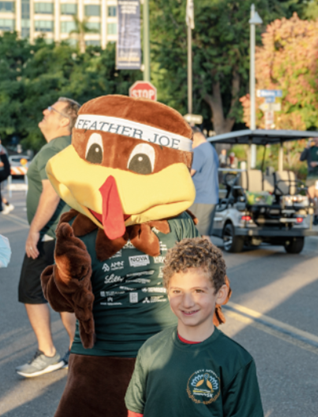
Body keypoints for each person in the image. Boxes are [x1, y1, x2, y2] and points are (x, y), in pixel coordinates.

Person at [39, 95, 205, 417]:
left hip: (169, 358)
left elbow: (205, 283)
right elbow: (61, 300)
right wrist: (67, 274)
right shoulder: (76, 227)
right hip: (100, 361)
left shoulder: (178, 221)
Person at [124, 238, 262, 417]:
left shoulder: (237, 361)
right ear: (168, 293)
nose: (187, 303)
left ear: (220, 294)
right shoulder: (150, 350)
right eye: (177, 291)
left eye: (198, 291)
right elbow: (135, 412)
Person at [16, 97, 79, 378]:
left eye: (51, 110)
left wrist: (34, 230)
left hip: (51, 235)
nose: (44, 112)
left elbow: (51, 193)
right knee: (67, 297)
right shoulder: (71, 147)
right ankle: (79, 353)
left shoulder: (54, 148)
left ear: (65, 121)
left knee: (30, 290)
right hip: (68, 234)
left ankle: (48, 353)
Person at [189, 126, 219, 238]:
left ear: (194, 138)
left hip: (200, 199)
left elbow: (188, 173)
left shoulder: (199, 150)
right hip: (208, 198)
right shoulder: (211, 149)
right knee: (203, 236)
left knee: (199, 237)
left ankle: (213, 251)